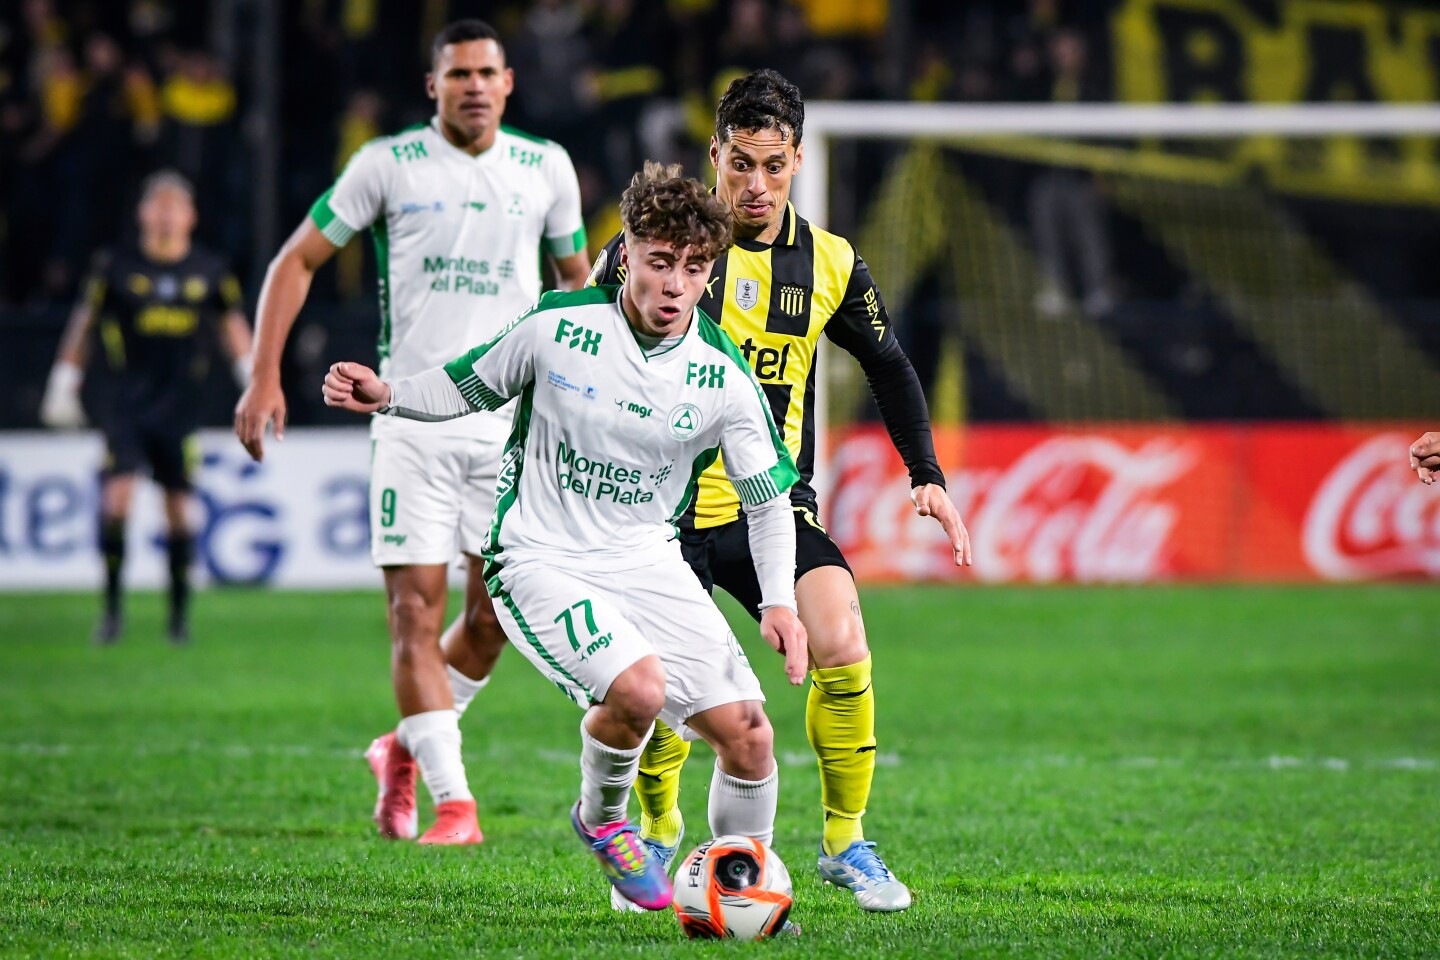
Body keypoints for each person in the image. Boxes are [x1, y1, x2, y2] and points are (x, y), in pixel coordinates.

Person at [320, 162, 807, 914]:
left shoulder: (722, 376)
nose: (676, 283)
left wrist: (779, 602)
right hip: (538, 556)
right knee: (638, 690)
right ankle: (604, 821)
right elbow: (466, 384)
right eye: (660, 261)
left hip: (647, 557)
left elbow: (769, 501)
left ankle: (738, 897)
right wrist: (390, 396)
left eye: (694, 267)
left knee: (749, 736)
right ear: (630, 252)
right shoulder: (559, 327)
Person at [584, 69, 970, 913]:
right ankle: (657, 832)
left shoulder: (828, 262)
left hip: (773, 508)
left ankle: (845, 843)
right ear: (713, 155)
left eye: (774, 166)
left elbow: (891, 367)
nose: (755, 186)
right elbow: (581, 346)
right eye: (740, 164)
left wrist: (927, 476)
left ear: (797, 160)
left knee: (842, 635)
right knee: (662, 679)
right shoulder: (662, 254)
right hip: (662, 515)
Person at [232, 19, 592, 845]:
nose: (472, 85)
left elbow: (577, 286)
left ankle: (404, 746)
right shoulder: (386, 165)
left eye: (486, 72)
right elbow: (296, 260)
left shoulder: (546, 169)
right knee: (411, 614)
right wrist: (263, 375)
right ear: (433, 86)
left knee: (499, 614)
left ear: (510, 83)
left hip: (508, 426)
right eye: (457, 73)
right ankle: (454, 805)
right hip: (407, 419)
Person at [40, 169, 253, 645]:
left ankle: (178, 618)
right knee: (116, 500)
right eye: (157, 204)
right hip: (125, 405)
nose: (165, 214)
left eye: (175, 206)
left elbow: (231, 326)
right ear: (142, 212)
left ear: (191, 216)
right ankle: (112, 611)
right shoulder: (115, 266)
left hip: (181, 409)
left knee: (179, 510)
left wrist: (253, 378)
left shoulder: (209, 270)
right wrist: (64, 380)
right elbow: (85, 323)